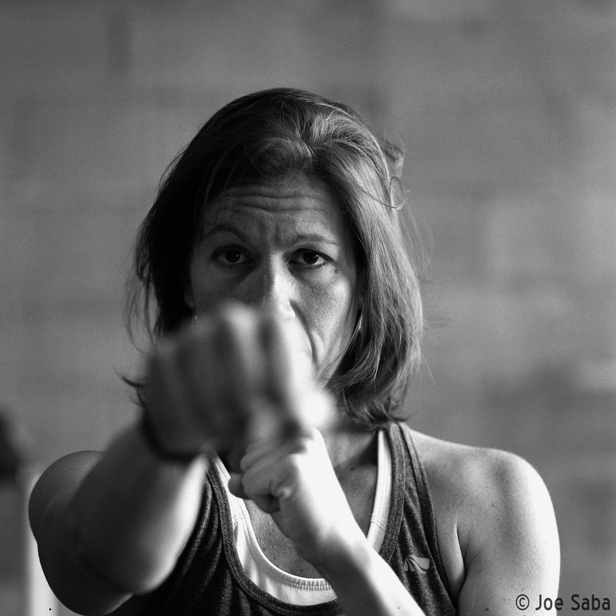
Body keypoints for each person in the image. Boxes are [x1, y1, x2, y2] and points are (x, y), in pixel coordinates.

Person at [29, 88, 559, 616]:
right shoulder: (89, 490)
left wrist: (342, 549)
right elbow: (95, 572)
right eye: (231, 255)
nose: (268, 305)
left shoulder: (493, 500)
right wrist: (170, 439)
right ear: (186, 281)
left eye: (309, 258)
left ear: (366, 288)